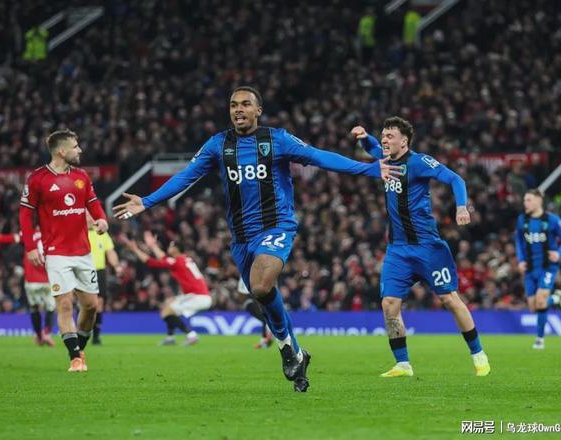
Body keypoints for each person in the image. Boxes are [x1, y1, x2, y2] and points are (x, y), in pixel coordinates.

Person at [113, 86, 401, 392]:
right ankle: (293, 351)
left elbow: (319, 157)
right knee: (262, 295)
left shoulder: (278, 139)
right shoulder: (218, 144)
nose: (238, 109)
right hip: (241, 238)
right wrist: (147, 201)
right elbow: (187, 175)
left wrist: (368, 169)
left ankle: (286, 347)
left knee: (262, 286)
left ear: (258, 111)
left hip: (277, 226)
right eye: (233, 105)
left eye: (245, 104)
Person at [352, 116, 490, 377]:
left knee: (449, 299)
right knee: (389, 303)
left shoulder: (419, 162)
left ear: (404, 142)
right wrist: (364, 137)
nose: (384, 140)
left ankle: (478, 353)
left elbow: (456, 179)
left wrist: (462, 206)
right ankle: (403, 364)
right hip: (397, 249)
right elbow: (372, 147)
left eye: (390, 136)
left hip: (427, 247)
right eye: (383, 135)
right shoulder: (385, 159)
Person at [19, 129, 108, 372]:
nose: (80, 150)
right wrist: (30, 247)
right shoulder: (37, 179)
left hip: (83, 252)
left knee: (91, 306)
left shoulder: (81, 176)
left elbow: (92, 202)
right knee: (65, 304)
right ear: (61, 151)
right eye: (75, 146)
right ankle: (75, 358)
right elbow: (25, 215)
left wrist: (101, 219)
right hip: (56, 253)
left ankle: (79, 347)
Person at [119, 231, 211, 345]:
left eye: (171, 246)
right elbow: (164, 258)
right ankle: (170, 337)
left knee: (167, 313)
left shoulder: (177, 261)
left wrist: (135, 249)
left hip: (197, 297)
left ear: (176, 249)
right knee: (168, 304)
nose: (169, 247)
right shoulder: (183, 259)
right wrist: (153, 246)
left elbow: (150, 262)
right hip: (199, 295)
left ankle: (191, 335)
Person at [0, 230, 55, 347]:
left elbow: (8, 238)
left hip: (32, 280)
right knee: (51, 307)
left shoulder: (28, 234)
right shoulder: (50, 231)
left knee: (34, 308)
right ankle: (46, 333)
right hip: (49, 279)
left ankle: (39, 336)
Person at [514, 189, 561, 349]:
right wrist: (520, 260)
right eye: (525, 200)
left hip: (547, 267)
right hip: (530, 268)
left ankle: (539, 339)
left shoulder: (552, 220)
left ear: (539, 201)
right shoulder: (522, 220)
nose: (525, 203)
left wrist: (559, 253)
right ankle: (556, 299)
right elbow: (519, 241)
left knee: (540, 301)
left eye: (529, 200)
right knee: (533, 308)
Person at [86, 212, 122, 345]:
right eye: (86, 216)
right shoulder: (79, 233)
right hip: (83, 271)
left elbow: (110, 251)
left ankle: (96, 336)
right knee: (85, 304)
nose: (89, 219)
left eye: (91, 216)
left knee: (99, 303)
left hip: (99, 271)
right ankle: (82, 331)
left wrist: (117, 266)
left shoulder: (102, 233)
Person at [237, 278, 274, 349]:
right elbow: (244, 293)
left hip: (251, 301)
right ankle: (267, 339)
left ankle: (266, 339)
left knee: (265, 319)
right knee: (265, 318)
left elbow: (242, 293)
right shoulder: (246, 277)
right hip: (250, 302)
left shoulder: (246, 276)